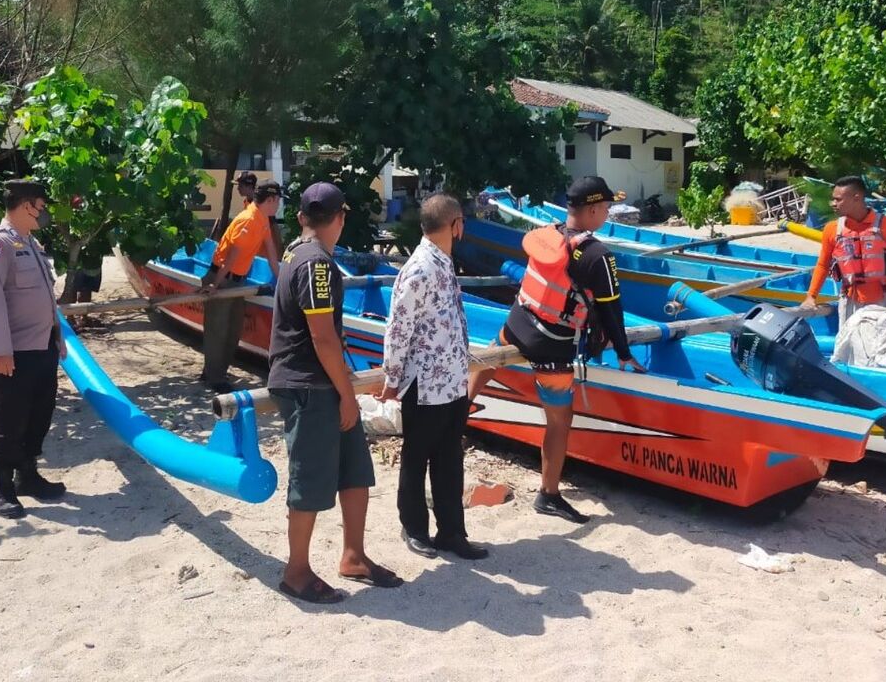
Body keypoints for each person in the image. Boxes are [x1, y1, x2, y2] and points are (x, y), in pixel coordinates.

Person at [467, 176, 647, 523]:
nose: (608, 213)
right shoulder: (598, 255)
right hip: (551, 346)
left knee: (490, 355)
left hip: (516, 324)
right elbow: (612, 311)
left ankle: (459, 415)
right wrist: (623, 353)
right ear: (593, 210)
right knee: (560, 420)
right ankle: (548, 495)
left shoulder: (549, 234)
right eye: (607, 207)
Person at [268, 182, 402, 604]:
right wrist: (347, 394)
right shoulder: (317, 265)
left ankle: (354, 555)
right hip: (309, 384)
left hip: (318, 380)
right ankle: (296, 572)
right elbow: (323, 336)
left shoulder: (295, 251)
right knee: (308, 480)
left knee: (355, 469)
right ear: (340, 218)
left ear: (304, 217)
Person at [378, 194, 488, 561]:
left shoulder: (441, 262)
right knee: (417, 457)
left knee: (449, 458)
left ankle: (451, 531)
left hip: (452, 381)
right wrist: (392, 378)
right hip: (425, 386)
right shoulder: (420, 267)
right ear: (456, 224)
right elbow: (399, 328)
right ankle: (414, 528)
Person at [0, 179, 68, 519]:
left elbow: (47, 297)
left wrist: (57, 338)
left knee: (38, 415)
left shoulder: (30, 243)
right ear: (26, 205)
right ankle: (3, 488)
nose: (42, 214)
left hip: (41, 347)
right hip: (12, 352)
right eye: (40, 208)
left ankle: (27, 475)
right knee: (8, 419)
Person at [198, 180, 282, 393]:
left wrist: (282, 282)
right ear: (271, 200)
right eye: (278, 200)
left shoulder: (263, 220)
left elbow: (272, 255)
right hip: (223, 277)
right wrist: (215, 286)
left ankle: (216, 371)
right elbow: (231, 257)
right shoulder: (249, 219)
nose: (279, 204)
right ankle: (214, 377)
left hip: (238, 280)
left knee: (233, 328)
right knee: (218, 329)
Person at [801, 175, 886, 326]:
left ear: (856, 198)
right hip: (850, 301)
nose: (833, 204)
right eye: (833, 199)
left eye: (838, 199)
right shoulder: (832, 229)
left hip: (885, 302)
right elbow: (823, 265)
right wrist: (811, 296)